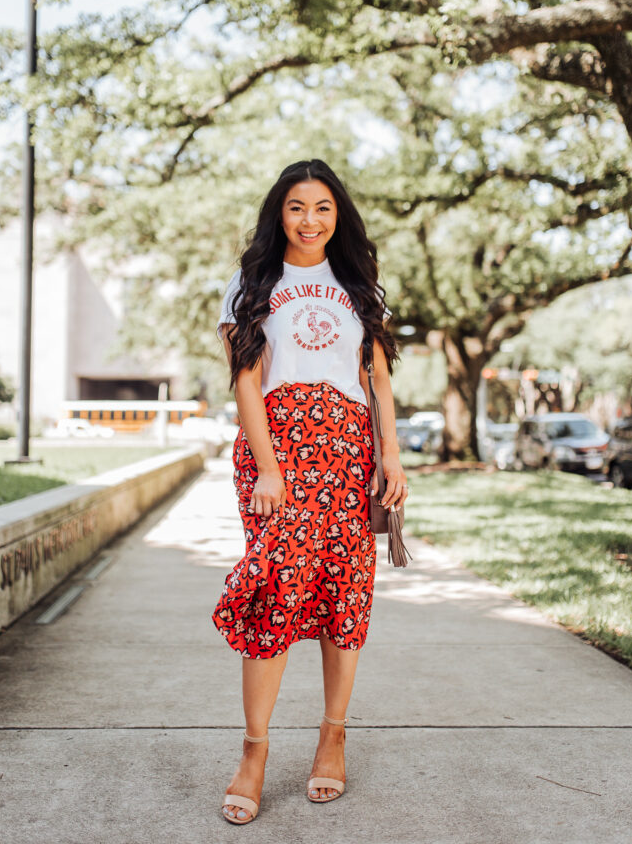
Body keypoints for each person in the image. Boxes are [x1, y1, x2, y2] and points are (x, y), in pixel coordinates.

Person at [212, 158, 407, 825]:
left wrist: (393, 458)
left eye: (323, 207)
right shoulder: (251, 283)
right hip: (278, 453)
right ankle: (255, 751)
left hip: (350, 455)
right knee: (274, 589)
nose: (310, 219)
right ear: (279, 214)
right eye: (297, 206)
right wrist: (269, 467)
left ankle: (332, 734)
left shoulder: (360, 287)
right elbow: (244, 382)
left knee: (341, 593)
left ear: (338, 216)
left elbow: (378, 384)